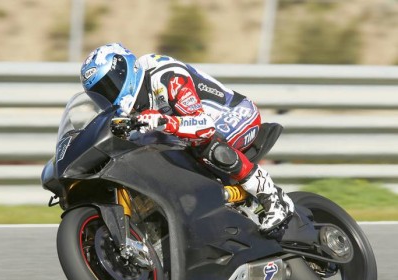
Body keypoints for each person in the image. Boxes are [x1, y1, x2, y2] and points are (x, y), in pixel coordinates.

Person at [80, 43, 294, 235]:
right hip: (190, 134)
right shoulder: (128, 113)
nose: (109, 96)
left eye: (110, 85)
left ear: (126, 70)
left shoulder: (164, 76)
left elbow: (204, 126)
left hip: (235, 115)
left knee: (205, 145)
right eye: (101, 94)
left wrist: (165, 122)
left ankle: (271, 197)